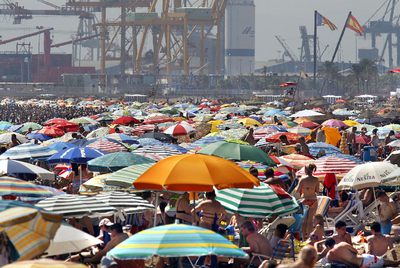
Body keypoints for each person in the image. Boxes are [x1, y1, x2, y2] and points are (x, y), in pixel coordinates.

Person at [326, 241, 400, 267]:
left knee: (383, 262)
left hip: (361, 264)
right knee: (383, 261)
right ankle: (396, 263)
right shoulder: (342, 244)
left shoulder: (329, 256)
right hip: (364, 260)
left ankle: (396, 263)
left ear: (328, 246)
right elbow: (356, 251)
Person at [296, 164, 319, 239]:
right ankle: (310, 238)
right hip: (313, 200)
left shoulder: (302, 179)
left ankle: (303, 238)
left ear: (306, 170)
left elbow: (297, 191)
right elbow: (317, 191)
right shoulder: (316, 179)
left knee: (304, 221)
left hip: (305, 200)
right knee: (310, 221)